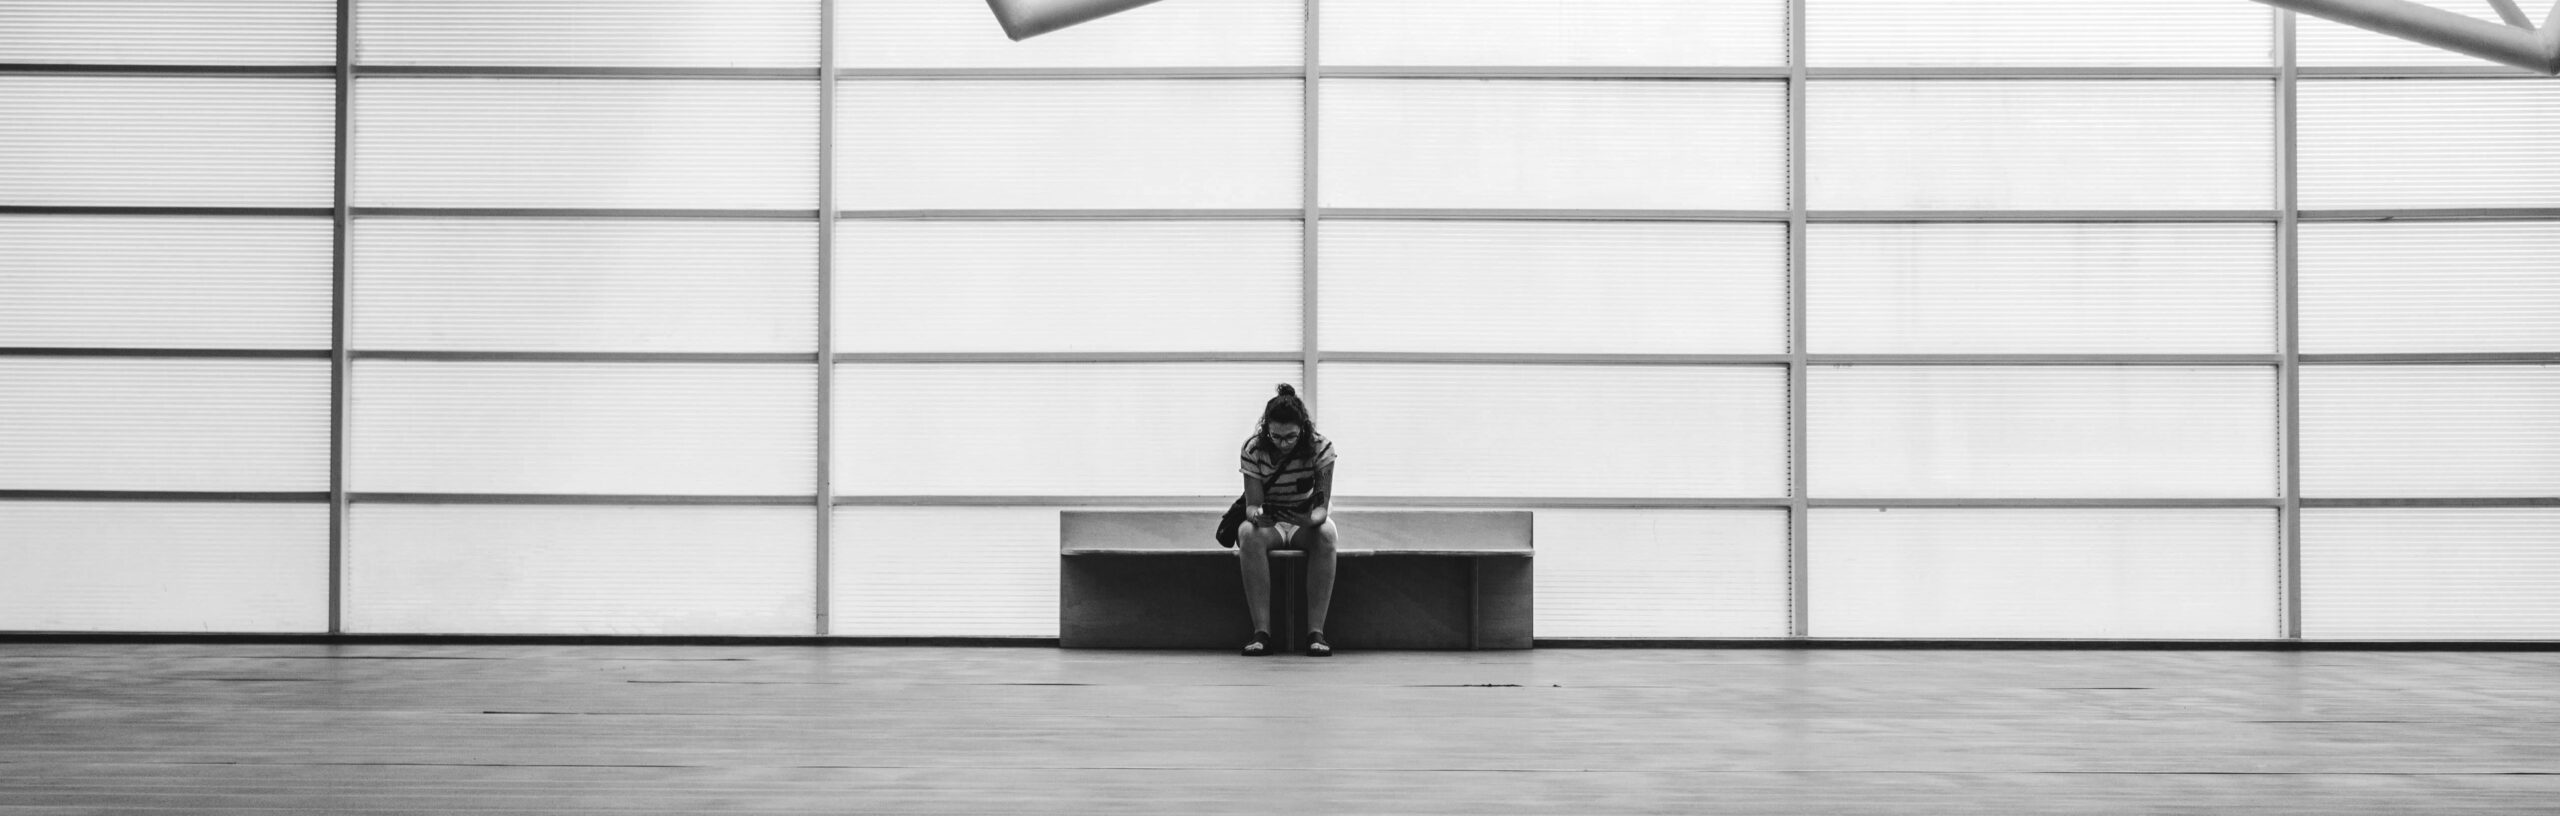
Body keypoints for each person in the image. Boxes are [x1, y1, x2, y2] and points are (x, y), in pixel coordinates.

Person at [1235, 383, 1338, 657]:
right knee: (1247, 534)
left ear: (1302, 429)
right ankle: (1261, 632)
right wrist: (1258, 517)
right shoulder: (1254, 449)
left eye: (1290, 437)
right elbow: (1252, 505)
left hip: (1307, 520)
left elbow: (1322, 509)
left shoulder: (1321, 447)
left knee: (1328, 535)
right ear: (1266, 428)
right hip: (1272, 524)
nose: (1283, 444)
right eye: (1276, 437)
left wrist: (1307, 519)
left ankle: (1316, 632)